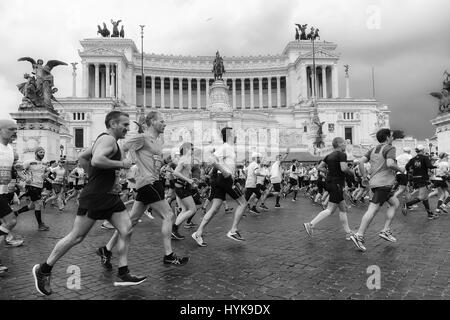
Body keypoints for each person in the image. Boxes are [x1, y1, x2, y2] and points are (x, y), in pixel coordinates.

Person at [32, 111, 147, 296]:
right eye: (124, 125)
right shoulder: (108, 140)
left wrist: (93, 175)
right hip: (96, 196)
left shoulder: (106, 141)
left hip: (110, 196)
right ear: (113, 124)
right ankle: (44, 269)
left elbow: (83, 158)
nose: (127, 128)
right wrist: (122, 165)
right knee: (76, 237)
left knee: (126, 229)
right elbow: (97, 159)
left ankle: (123, 271)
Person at [96, 111, 189, 270]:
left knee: (130, 222)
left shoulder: (157, 141)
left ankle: (106, 249)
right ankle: (168, 255)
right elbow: (122, 147)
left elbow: (153, 159)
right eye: (161, 121)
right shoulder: (142, 137)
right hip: (148, 182)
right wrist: (125, 166)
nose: (165, 124)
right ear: (152, 122)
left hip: (153, 181)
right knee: (168, 215)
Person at [350, 129, 404, 252]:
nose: (392, 137)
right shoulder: (390, 148)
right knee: (372, 210)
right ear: (387, 137)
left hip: (375, 183)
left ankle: (385, 230)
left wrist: (364, 177)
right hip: (384, 184)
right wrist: (400, 169)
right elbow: (390, 164)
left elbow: (360, 161)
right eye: (391, 135)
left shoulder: (373, 149)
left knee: (395, 203)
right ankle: (359, 235)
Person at [192, 127, 247, 247]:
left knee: (215, 208)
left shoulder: (229, 148)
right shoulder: (225, 147)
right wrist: (224, 171)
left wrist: (236, 166)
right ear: (229, 136)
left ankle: (198, 232)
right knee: (243, 203)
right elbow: (211, 159)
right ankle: (233, 230)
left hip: (220, 179)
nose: (236, 135)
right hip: (225, 179)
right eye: (234, 133)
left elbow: (223, 162)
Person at [303, 137, 354, 240]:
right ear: (340, 144)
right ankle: (310, 224)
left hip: (330, 183)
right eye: (344, 143)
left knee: (343, 208)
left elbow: (319, 168)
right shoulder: (341, 155)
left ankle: (348, 232)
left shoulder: (328, 156)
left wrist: (329, 172)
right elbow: (344, 168)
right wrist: (351, 172)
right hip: (337, 184)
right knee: (330, 209)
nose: (345, 145)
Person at [0, 120, 23, 274]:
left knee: (10, 221)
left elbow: (8, 173)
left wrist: (13, 191)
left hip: (2, 192)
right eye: (10, 129)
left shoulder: (10, 149)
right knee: (11, 220)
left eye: (16, 129)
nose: (15, 132)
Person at [16, 147, 50, 231]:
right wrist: (25, 178)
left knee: (31, 206)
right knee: (38, 204)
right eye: (40, 152)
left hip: (39, 187)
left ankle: (15, 213)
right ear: (36, 153)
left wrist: (46, 174)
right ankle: (40, 225)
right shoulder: (29, 162)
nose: (42, 153)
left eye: (43, 152)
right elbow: (18, 171)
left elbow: (49, 170)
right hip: (32, 186)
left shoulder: (44, 163)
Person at [171, 142, 199, 239]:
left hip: (182, 187)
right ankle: (174, 229)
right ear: (186, 150)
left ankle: (174, 231)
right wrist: (188, 180)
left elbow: (184, 174)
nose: (193, 151)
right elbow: (175, 173)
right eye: (191, 149)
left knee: (184, 210)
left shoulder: (186, 160)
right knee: (193, 209)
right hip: (181, 188)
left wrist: (191, 181)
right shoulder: (184, 160)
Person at [403, 145, 438, 220]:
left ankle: (430, 214)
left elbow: (406, 167)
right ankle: (407, 204)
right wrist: (436, 166)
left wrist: (411, 171)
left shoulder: (413, 159)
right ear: (422, 150)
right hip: (423, 179)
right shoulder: (425, 157)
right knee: (422, 197)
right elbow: (429, 166)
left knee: (425, 197)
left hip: (415, 179)